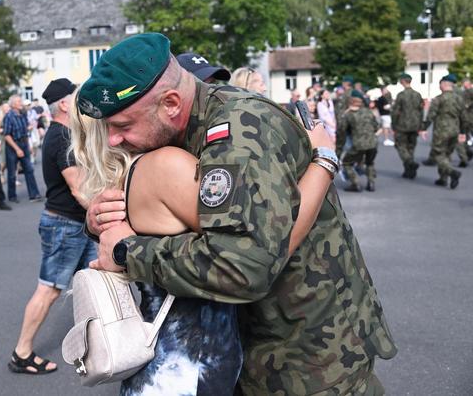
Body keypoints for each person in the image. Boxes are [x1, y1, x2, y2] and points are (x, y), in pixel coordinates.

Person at [78, 33, 396, 395]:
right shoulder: (179, 132)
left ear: (169, 103)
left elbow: (244, 266)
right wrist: (102, 219)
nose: (114, 139)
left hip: (306, 356)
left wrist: (126, 252)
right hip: (260, 346)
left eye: (123, 126)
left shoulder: (240, 133)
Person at [71, 96, 339, 395]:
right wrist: (324, 161)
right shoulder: (166, 165)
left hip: (167, 362)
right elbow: (265, 250)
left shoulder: (125, 176)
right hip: (186, 368)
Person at [8, 79, 96, 375]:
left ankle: (100, 342)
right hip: (64, 224)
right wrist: (104, 216)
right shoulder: (60, 137)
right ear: (63, 104)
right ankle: (21, 353)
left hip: (76, 225)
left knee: (96, 282)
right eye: (75, 96)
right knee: (48, 290)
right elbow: (78, 189)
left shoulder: (66, 133)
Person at [422, 75, 467, 189]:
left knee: (438, 155)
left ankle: (452, 172)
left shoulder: (438, 99)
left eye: (440, 84)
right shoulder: (459, 99)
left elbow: (430, 116)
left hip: (441, 131)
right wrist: (462, 132)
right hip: (455, 131)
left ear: (444, 84)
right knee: (447, 155)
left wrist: (423, 128)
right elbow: (464, 117)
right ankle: (443, 179)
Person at [337, 90, 381, 192]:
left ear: (350, 102)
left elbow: (341, 130)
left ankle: (355, 183)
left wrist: (338, 150)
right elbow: (376, 127)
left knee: (347, 163)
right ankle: (371, 183)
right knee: (370, 162)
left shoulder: (349, 114)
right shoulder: (368, 111)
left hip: (358, 145)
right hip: (373, 143)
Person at [3, 95, 42, 203]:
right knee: (12, 173)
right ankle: (12, 196)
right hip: (12, 146)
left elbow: (24, 131)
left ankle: (34, 195)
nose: (21, 103)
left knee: (29, 169)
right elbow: (7, 135)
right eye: (19, 101)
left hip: (23, 144)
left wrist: (27, 146)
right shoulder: (9, 116)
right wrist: (17, 149)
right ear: (13, 104)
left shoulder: (23, 114)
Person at [391, 73, 424, 179]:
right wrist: (420, 125)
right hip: (415, 125)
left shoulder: (401, 95)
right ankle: (409, 171)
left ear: (403, 81)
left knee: (400, 146)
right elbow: (421, 111)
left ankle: (410, 163)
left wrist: (394, 125)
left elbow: (395, 112)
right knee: (411, 148)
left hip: (402, 125)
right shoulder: (418, 94)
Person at [454, 77, 473, 167]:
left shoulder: (471, 91)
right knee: (464, 136)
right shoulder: (464, 92)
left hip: (469, 118)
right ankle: (467, 153)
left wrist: (468, 105)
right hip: (465, 118)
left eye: (464, 83)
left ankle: (466, 155)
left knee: (462, 137)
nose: (463, 84)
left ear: (468, 83)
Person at [0, 103, 11, 185]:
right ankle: (1, 172)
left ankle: (14, 179)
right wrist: (6, 129)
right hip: (3, 139)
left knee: (14, 161)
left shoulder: (12, 116)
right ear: (3, 109)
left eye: (8, 107)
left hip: (12, 139)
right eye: (6, 107)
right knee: (3, 161)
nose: (8, 108)